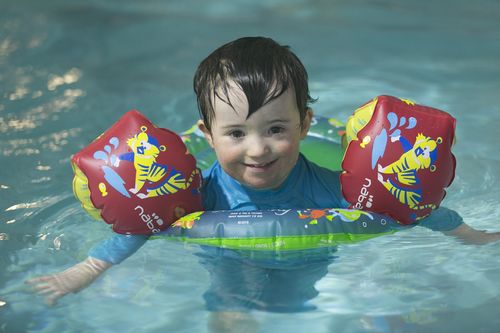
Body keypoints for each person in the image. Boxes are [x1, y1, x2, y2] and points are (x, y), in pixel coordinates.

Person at [26, 36, 500, 324]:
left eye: (276, 129)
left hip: (310, 265)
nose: (258, 149)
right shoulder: (196, 196)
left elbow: (413, 208)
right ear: (208, 136)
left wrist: (471, 236)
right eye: (236, 133)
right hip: (227, 273)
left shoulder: (335, 188)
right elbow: (138, 227)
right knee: (231, 316)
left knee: (307, 309)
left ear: (305, 125)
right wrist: (87, 270)